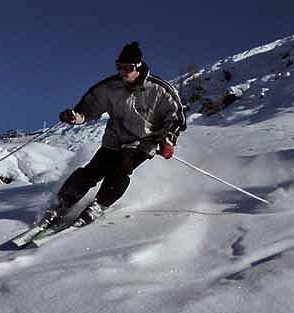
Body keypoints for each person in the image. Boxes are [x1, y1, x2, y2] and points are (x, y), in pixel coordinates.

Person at [41, 41, 186, 227]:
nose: (123, 71)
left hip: (144, 141)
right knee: (92, 170)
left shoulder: (160, 90)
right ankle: (60, 205)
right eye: (120, 67)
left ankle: (99, 205)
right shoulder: (109, 87)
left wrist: (168, 141)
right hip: (115, 139)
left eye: (129, 67)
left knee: (121, 167)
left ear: (138, 66)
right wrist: (74, 117)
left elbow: (176, 118)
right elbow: (88, 109)